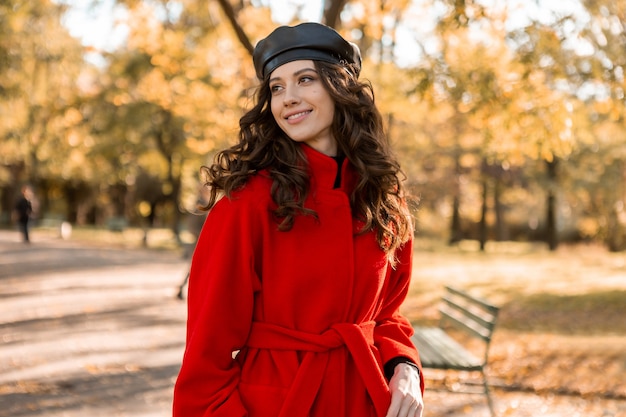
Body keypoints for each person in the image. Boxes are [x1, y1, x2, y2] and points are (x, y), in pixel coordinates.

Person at [173, 22, 424, 417]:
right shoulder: (247, 205)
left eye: (305, 79)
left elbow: (387, 314)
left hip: (365, 398)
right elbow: (206, 357)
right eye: (276, 87)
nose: (288, 98)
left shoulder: (383, 199)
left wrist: (405, 366)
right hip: (276, 402)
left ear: (340, 87)